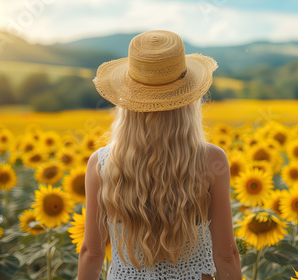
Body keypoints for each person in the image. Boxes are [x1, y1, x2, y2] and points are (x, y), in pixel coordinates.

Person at [77, 30, 242, 280]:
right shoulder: (212, 161)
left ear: (128, 102)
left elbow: (92, 252)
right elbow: (226, 253)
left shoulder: (101, 164)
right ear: (190, 99)